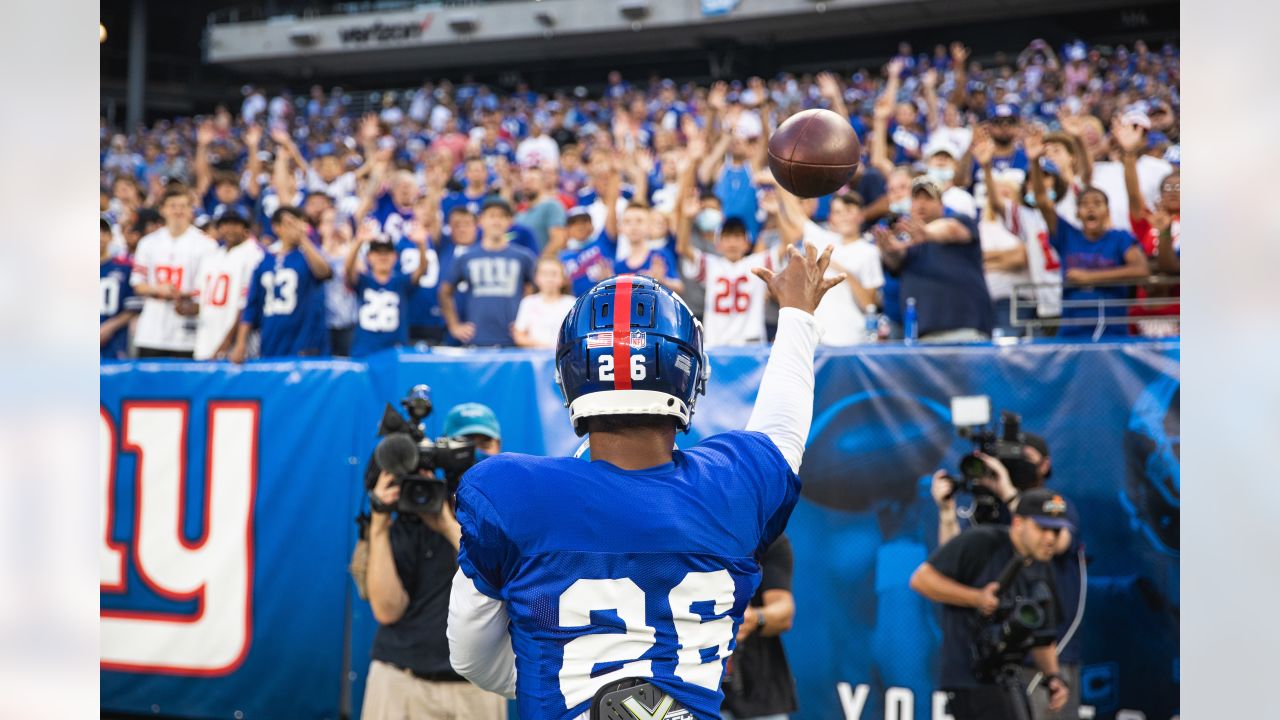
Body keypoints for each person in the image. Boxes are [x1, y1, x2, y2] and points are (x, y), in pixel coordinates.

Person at [446, 243, 844, 719]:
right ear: (690, 376)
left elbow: (470, 655)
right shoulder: (732, 489)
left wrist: (552, 668)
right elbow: (783, 431)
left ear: (569, 377)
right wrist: (798, 315)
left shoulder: (510, 492)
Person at [360, 403, 507, 720]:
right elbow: (387, 609)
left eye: (484, 444)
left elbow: (502, 583)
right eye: (464, 444)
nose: (475, 453)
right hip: (402, 682)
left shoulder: (509, 517)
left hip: (478, 689)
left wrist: (445, 525)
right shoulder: (415, 506)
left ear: (499, 448)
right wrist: (380, 522)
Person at [909, 487, 1072, 720]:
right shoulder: (982, 541)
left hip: (1007, 678)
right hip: (969, 676)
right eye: (1042, 528)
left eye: (1056, 531)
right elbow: (921, 579)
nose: (1049, 538)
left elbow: (1043, 636)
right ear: (1018, 523)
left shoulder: (1042, 564)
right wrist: (976, 598)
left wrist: (1053, 676)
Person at [1026, 131, 1148, 339]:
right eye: (1085, 205)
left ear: (1107, 212)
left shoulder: (1121, 238)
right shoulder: (1067, 235)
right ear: (1077, 213)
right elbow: (1041, 200)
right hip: (1072, 331)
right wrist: (1035, 162)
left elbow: (1141, 269)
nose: (1091, 209)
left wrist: (1090, 277)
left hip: (1113, 331)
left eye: (1097, 204)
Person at [873, 177, 993, 342]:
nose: (922, 204)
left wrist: (926, 233)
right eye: (916, 198)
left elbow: (951, 230)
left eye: (928, 198)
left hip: (965, 331)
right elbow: (895, 262)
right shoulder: (908, 242)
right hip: (921, 336)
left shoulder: (961, 221)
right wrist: (889, 249)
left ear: (941, 205)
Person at [781, 190, 884, 347]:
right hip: (818, 337)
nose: (843, 216)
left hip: (852, 337)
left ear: (860, 215)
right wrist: (778, 183)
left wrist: (843, 272)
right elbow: (795, 215)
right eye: (837, 212)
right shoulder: (823, 239)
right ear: (831, 218)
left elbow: (869, 304)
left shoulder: (869, 251)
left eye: (848, 211)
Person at [230, 206, 333, 361]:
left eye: (298, 223)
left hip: (305, 344)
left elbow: (324, 272)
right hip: (271, 339)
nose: (294, 228)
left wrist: (303, 239)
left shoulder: (308, 255)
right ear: (276, 227)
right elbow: (251, 305)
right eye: (289, 223)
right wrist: (240, 343)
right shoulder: (264, 261)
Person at [129, 185, 218, 358]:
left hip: (187, 332)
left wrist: (184, 295)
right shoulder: (148, 243)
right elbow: (137, 284)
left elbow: (207, 288)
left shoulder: (206, 245)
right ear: (163, 210)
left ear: (191, 210)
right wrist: (158, 289)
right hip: (151, 331)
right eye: (173, 206)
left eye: (183, 206)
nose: (178, 211)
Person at [439, 197, 537, 347]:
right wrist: (454, 326)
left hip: (514, 341)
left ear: (510, 222)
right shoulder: (466, 257)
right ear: (481, 220)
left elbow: (537, 292)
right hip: (476, 339)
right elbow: (445, 292)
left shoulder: (524, 257)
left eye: (502, 216)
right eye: (491, 216)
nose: (496, 221)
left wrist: (527, 323)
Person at [720, 535, 798, 720]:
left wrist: (754, 618)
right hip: (693, 689)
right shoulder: (686, 536)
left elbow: (784, 611)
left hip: (760, 693)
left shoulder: (769, 538)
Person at [345, 221, 429, 358]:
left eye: (387, 252)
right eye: (377, 252)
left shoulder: (401, 282)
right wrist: (358, 242)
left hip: (394, 351)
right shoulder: (363, 281)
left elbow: (421, 271)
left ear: (395, 257)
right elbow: (348, 270)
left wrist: (421, 244)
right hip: (364, 350)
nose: (382, 257)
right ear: (369, 257)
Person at [192, 212, 265, 360]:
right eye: (225, 224)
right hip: (206, 338)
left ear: (245, 228)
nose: (229, 229)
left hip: (235, 344)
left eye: (235, 224)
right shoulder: (212, 256)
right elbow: (202, 299)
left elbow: (247, 306)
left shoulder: (254, 254)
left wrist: (227, 342)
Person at [100, 218, 141, 360]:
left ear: (110, 236)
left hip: (115, 342)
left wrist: (109, 327)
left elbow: (132, 308)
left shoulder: (125, 267)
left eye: (103, 232)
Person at [513, 259, 576, 349]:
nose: (549, 279)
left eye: (554, 274)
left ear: (563, 279)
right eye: (544, 274)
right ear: (536, 278)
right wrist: (542, 345)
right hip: (535, 359)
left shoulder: (572, 303)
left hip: (564, 358)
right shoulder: (528, 302)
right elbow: (519, 336)